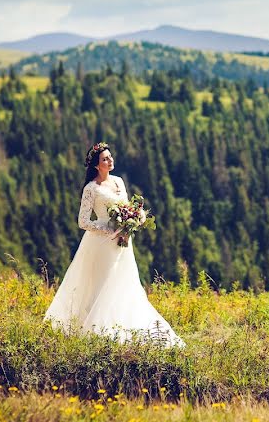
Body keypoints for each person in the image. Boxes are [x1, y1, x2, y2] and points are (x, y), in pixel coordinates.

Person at [43, 142, 186, 348]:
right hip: (101, 243)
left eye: (110, 157)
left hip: (123, 241)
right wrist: (108, 230)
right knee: (102, 283)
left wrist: (135, 219)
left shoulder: (118, 181)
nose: (109, 161)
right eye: (104, 159)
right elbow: (83, 221)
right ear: (96, 165)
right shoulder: (91, 189)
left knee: (124, 282)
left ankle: (121, 324)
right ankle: (93, 329)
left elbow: (126, 206)